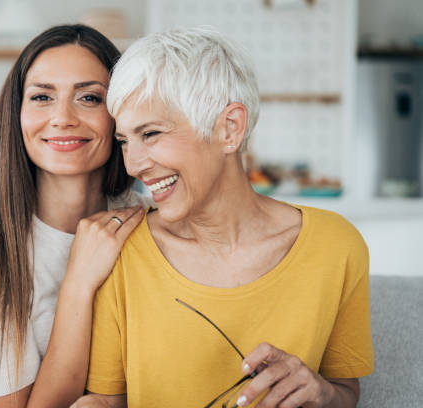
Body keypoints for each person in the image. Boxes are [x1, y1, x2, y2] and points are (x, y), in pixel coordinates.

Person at [72, 28, 374, 408]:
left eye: (150, 133)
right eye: (124, 141)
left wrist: (323, 392)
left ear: (229, 127)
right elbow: (105, 400)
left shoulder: (336, 246)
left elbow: (346, 392)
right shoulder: (123, 250)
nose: (133, 163)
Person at [0, 25, 151, 408]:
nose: (62, 117)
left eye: (88, 98)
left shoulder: (144, 221)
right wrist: (80, 277)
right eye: (42, 96)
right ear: (17, 113)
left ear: (119, 114)